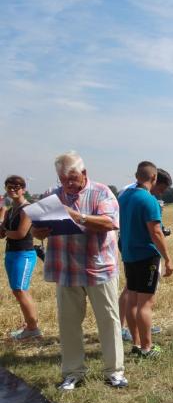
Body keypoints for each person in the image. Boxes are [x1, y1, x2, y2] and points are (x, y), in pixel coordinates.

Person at [32, 152, 127, 390]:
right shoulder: (51, 195)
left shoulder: (102, 192)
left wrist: (77, 216)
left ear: (84, 173)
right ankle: (73, 372)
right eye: (63, 179)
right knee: (68, 323)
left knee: (109, 320)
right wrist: (38, 232)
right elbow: (36, 226)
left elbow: (110, 222)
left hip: (98, 267)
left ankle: (114, 372)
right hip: (66, 268)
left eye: (72, 178)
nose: (68, 184)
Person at [118, 162, 173, 358]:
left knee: (132, 300)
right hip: (146, 256)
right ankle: (147, 348)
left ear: (136, 176)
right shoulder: (149, 200)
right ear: (154, 178)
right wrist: (168, 259)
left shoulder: (124, 197)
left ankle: (136, 343)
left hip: (129, 254)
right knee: (145, 304)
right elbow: (156, 232)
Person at [0, 175, 42, 341]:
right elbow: (2, 233)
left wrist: (5, 231)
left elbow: (20, 233)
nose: (12, 190)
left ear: (23, 189)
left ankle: (33, 329)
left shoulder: (28, 209)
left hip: (24, 254)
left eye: (16, 187)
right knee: (18, 291)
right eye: (9, 187)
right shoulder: (10, 210)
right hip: (11, 253)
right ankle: (30, 325)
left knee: (20, 290)